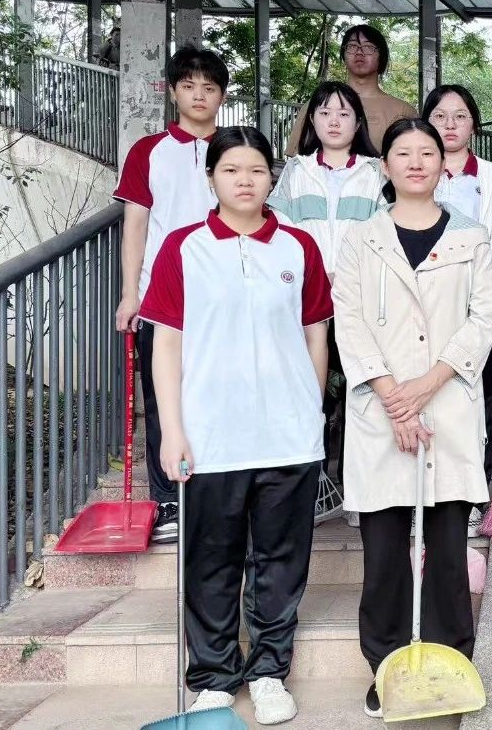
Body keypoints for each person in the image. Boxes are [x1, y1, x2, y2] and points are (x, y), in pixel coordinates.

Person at [140, 126, 332, 724]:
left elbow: (316, 334)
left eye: (256, 169)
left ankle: (270, 671)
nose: (244, 180)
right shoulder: (183, 247)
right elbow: (166, 344)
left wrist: (311, 407)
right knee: (211, 560)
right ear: (211, 178)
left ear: (272, 176)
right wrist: (173, 430)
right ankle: (214, 677)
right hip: (211, 435)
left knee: (281, 560)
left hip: (287, 434)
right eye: (231, 169)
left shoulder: (298, 247)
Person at [332, 118, 492, 719]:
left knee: (448, 551)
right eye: (403, 153)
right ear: (385, 166)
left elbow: (483, 319)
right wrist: (393, 398)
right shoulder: (361, 239)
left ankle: (451, 662)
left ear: (441, 164)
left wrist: (425, 387)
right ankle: (385, 666)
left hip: (447, 405)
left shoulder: (471, 239)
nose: (416, 162)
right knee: (383, 555)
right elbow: (349, 321)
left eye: (427, 152)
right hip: (381, 413)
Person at [113, 45, 229, 544]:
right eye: (189, 86)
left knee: (223, 392)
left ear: (222, 95)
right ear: (174, 92)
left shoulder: (237, 147)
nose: (199, 95)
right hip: (162, 297)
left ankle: (220, 492)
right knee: (163, 399)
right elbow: (136, 225)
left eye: (209, 87)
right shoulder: (149, 151)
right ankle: (168, 498)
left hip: (227, 294)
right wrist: (129, 294)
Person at [269, 81, 388, 522]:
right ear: (312, 122)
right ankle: (313, 487)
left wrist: (350, 272)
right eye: (324, 113)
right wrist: (316, 271)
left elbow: (384, 230)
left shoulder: (377, 173)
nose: (333, 121)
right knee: (310, 391)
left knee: (362, 393)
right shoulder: (296, 171)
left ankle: (358, 494)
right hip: (307, 298)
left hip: (361, 300)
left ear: (358, 123)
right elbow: (280, 226)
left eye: (343, 113)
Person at [422, 84, 492, 536]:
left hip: (477, 304)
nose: (450, 124)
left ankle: (474, 493)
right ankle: (425, 490)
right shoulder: (417, 168)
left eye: (459, 116)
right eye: (440, 116)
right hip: (421, 303)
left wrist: (455, 270)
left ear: (473, 124)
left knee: (475, 395)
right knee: (424, 392)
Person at [283, 25, 414, 158]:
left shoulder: (403, 111)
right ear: (343, 55)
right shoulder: (317, 105)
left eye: (368, 47)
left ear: (382, 56)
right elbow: (296, 161)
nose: (359, 52)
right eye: (352, 46)